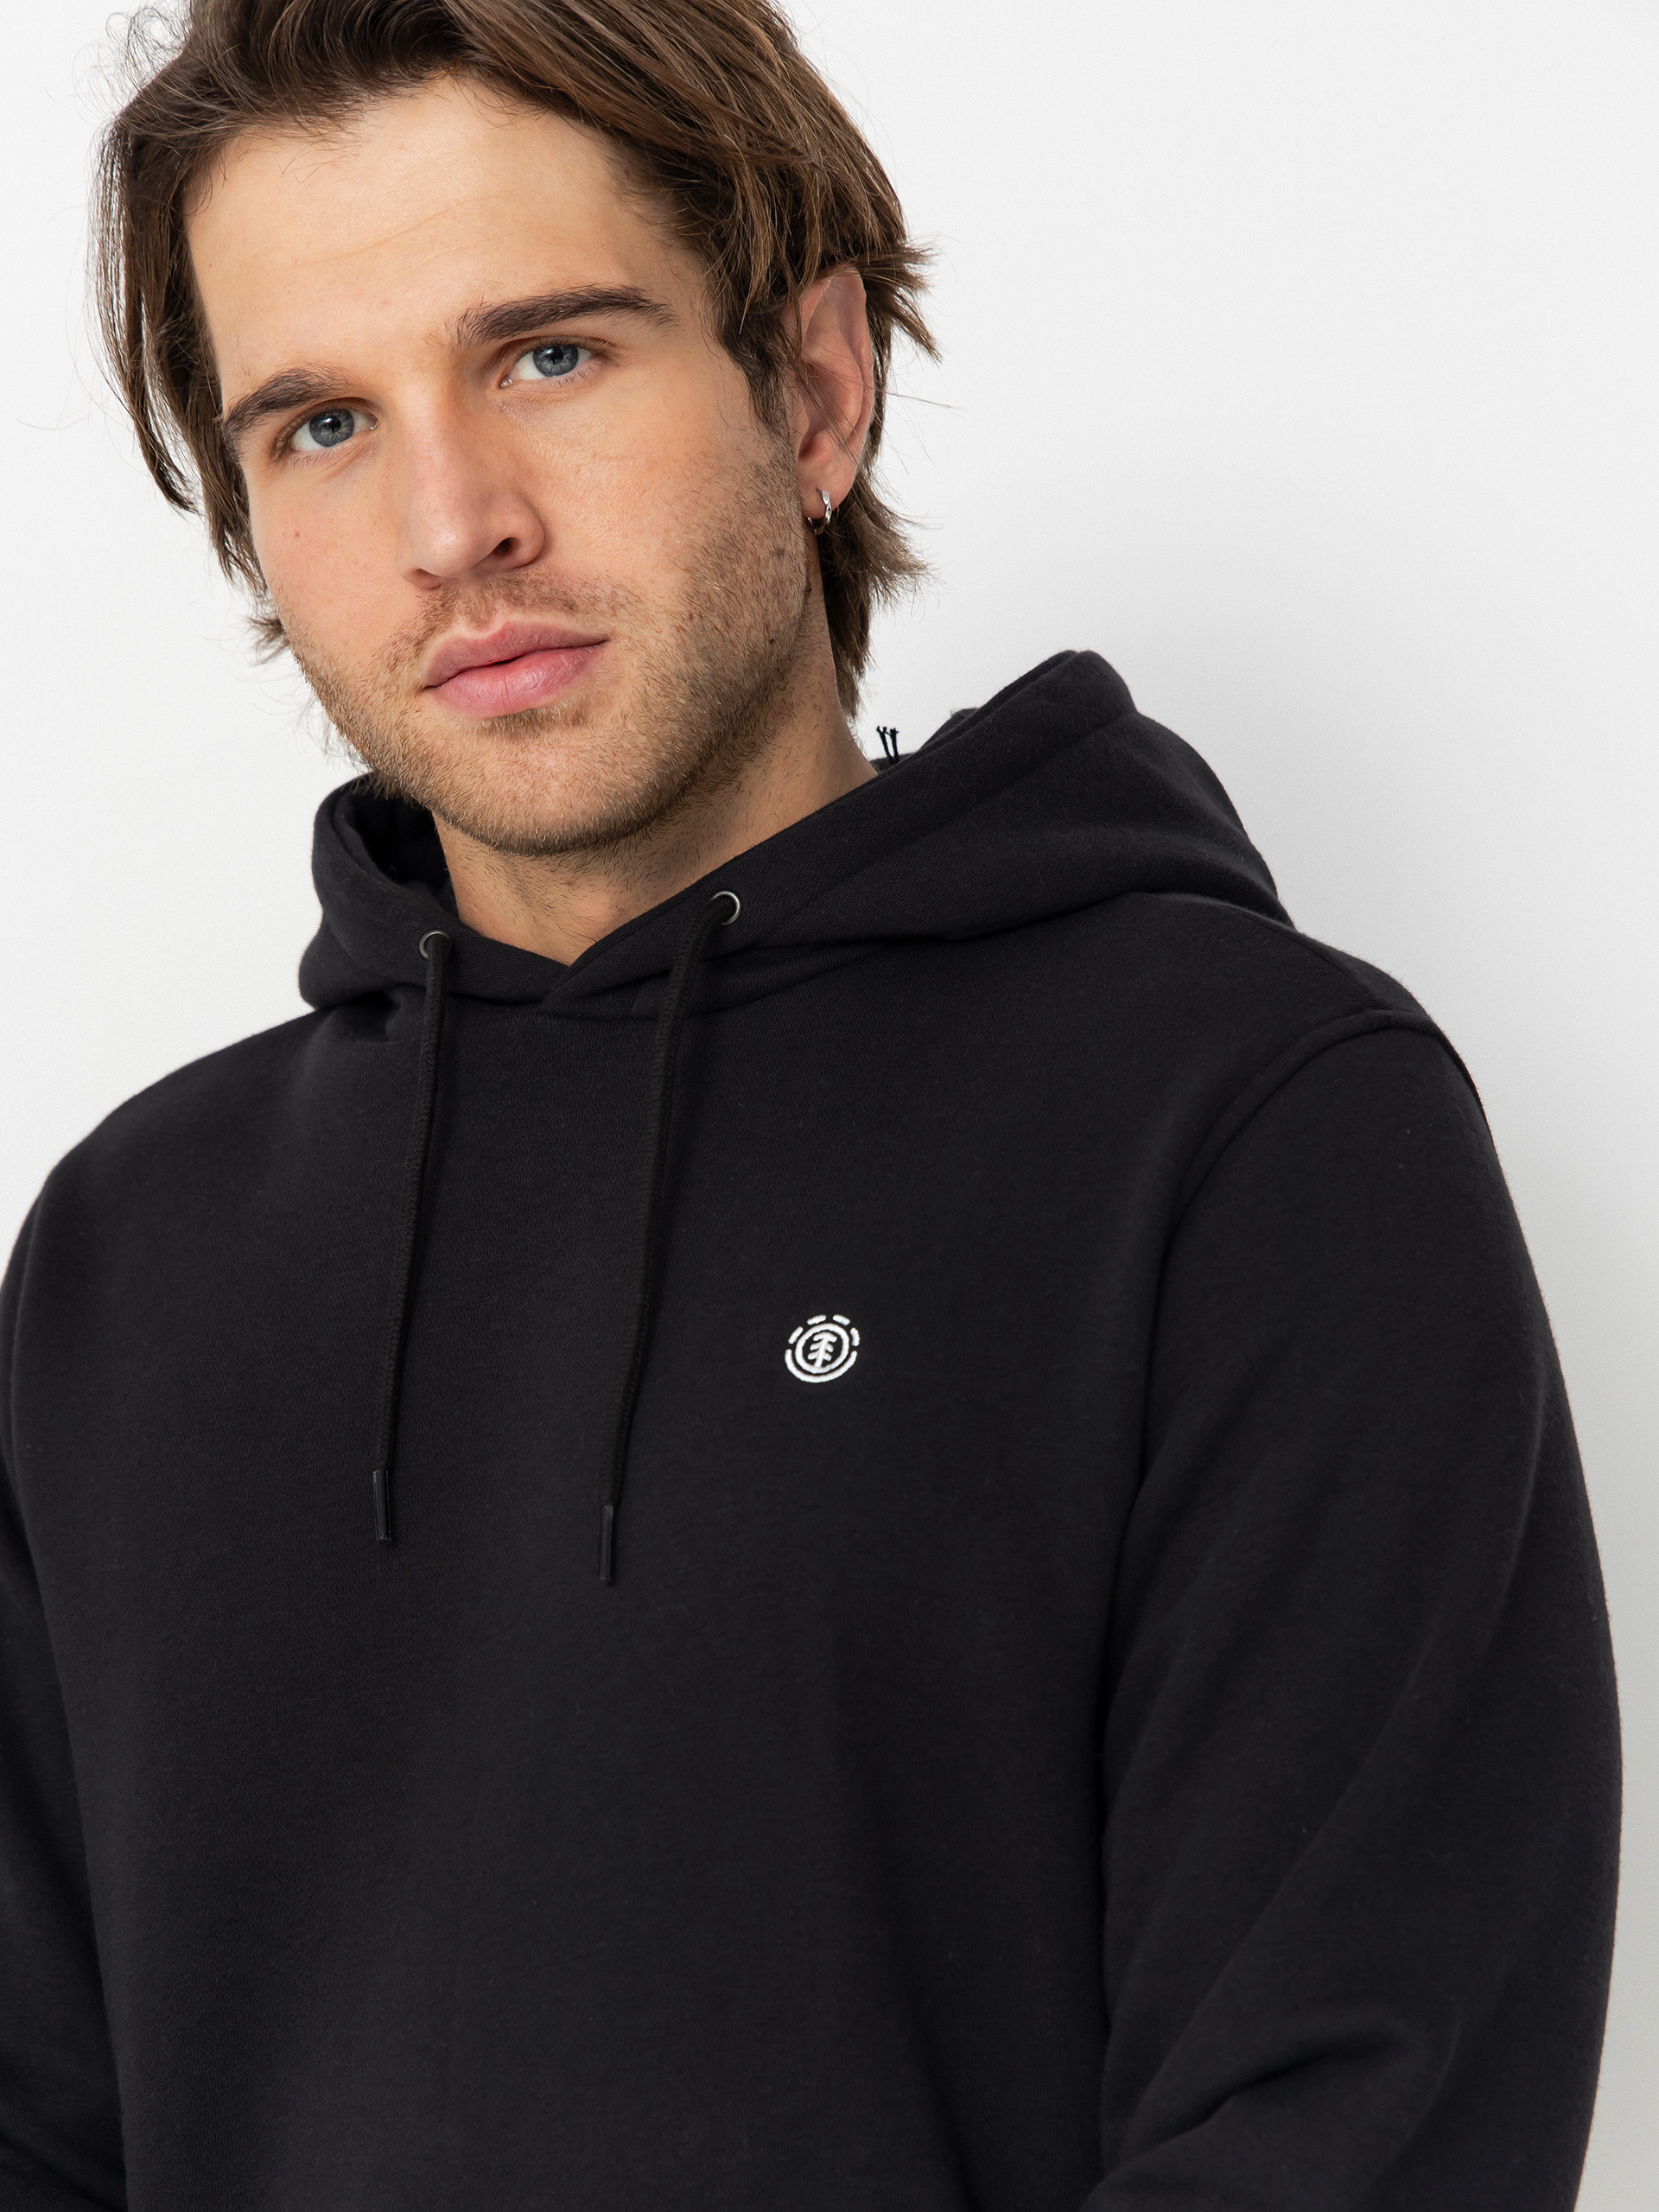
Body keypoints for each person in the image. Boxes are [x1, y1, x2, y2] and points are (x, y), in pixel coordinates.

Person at [0, 0, 1619, 2205]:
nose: (451, 523)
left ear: (819, 384)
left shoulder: (1251, 1132)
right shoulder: (132, 1251)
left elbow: (1347, 2119)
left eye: (547, 353)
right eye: (322, 422)